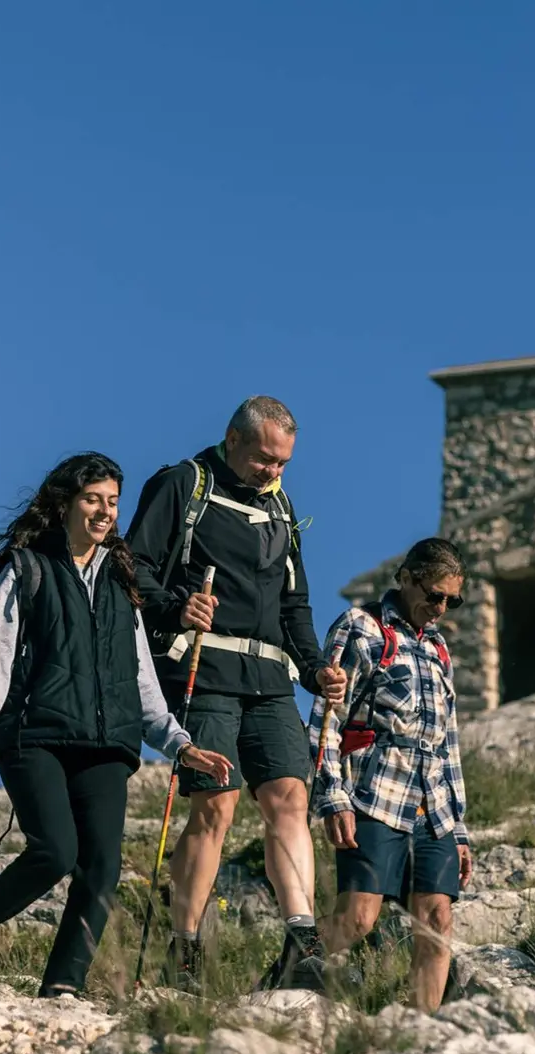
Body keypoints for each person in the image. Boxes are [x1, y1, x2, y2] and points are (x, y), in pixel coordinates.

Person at [0, 451, 233, 1002]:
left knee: (101, 867)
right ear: (66, 503)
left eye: (112, 502)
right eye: (92, 499)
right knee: (55, 850)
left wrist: (179, 744)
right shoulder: (29, 568)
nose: (104, 512)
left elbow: (139, 673)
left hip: (105, 742)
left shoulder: (122, 580)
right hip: (34, 732)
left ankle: (63, 987)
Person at [123, 396, 348, 993]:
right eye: (263, 459)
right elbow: (133, 568)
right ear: (232, 440)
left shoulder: (280, 505)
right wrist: (179, 604)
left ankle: (302, 941)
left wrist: (316, 665)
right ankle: (186, 950)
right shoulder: (181, 485)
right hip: (202, 669)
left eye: (282, 463)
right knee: (215, 809)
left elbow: (294, 604)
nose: (272, 472)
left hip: (271, 680)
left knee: (289, 800)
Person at [312, 538, 473, 1013]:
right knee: (359, 918)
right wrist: (333, 797)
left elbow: (448, 741)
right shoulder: (360, 629)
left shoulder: (439, 648)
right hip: (375, 794)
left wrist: (458, 827)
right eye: (435, 594)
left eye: (452, 600)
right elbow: (327, 716)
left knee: (437, 920)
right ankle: (291, 970)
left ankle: (422, 1028)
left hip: (433, 807)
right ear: (405, 578)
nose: (441, 607)